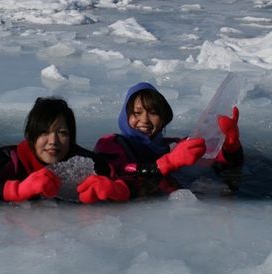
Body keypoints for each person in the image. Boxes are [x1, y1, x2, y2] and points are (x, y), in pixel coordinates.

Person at [0, 96, 128, 203]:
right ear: (31, 135)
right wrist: (18, 190)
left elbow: (133, 180)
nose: (53, 141)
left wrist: (117, 190)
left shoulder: (88, 163)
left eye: (62, 133)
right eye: (44, 132)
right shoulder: (9, 159)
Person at [86, 82, 244, 200]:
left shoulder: (173, 146)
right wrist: (167, 163)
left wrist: (230, 145)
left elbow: (217, 164)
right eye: (137, 113)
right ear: (125, 116)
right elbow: (117, 171)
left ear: (162, 118)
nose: (145, 120)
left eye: (153, 113)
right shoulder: (110, 144)